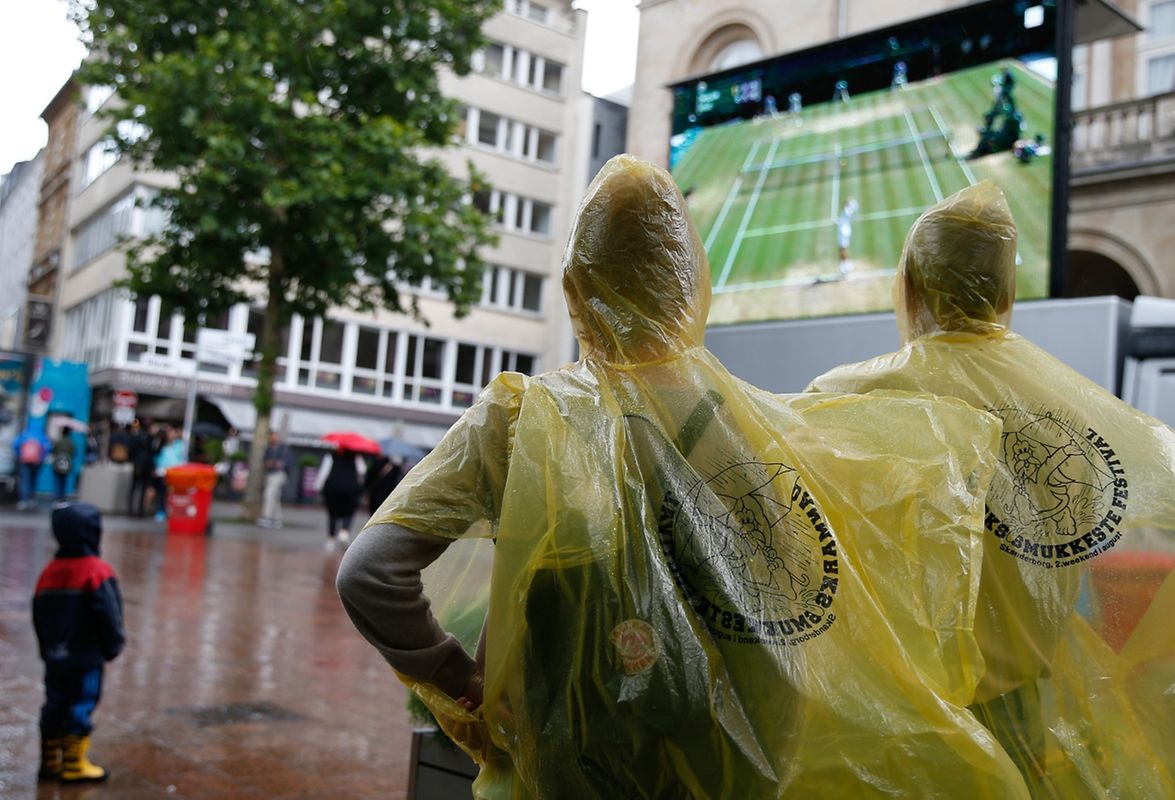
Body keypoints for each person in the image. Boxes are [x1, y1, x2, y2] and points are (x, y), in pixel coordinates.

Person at [337, 156, 1030, 798]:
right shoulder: (769, 427)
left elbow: (369, 574)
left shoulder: (520, 418)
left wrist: (459, 679)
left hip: (562, 771)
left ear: (576, 284)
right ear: (690, 284)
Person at [809, 181, 1175, 796]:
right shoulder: (1074, 414)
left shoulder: (845, 399)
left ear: (912, 285)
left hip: (894, 733)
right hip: (1028, 723)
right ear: (1007, 292)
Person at [32, 502, 125, 783]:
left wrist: (47, 648)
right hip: (87, 657)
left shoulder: (50, 571)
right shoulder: (96, 570)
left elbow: (38, 613)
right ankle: (74, 765)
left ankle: (49, 761)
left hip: (55, 656)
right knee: (82, 702)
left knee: (55, 702)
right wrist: (113, 645)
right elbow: (109, 613)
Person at [314, 447, 366, 549]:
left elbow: (324, 472)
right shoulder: (356, 457)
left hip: (333, 487)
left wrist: (318, 486)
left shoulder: (331, 456)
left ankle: (331, 540)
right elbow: (362, 471)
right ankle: (344, 531)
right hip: (351, 488)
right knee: (348, 512)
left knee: (333, 513)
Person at [153, 426, 187, 522]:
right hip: (162, 472)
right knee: (161, 493)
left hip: (175, 473)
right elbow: (156, 457)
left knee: (172, 493)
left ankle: (170, 510)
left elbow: (181, 458)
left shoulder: (179, 445)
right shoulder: (161, 444)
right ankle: (160, 511)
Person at [259, 431, 292, 529]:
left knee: (269, 494)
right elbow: (265, 460)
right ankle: (277, 520)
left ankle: (267, 517)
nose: (273, 438)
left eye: (274, 436)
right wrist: (268, 463)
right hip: (270, 473)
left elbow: (287, 461)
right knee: (275, 497)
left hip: (279, 474)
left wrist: (280, 464)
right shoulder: (269, 448)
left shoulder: (284, 448)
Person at [13, 426, 51, 510]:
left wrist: (20, 455)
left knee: (24, 480)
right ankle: (31, 499)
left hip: (25, 461)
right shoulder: (42, 436)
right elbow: (48, 448)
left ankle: (23, 500)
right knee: (34, 480)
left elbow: (15, 445)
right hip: (37, 463)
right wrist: (41, 458)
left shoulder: (24, 434)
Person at [127, 419, 155, 517]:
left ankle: (138, 510)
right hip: (141, 466)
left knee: (139, 488)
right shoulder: (141, 437)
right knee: (137, 488)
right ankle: (134, 510)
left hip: (144, 466)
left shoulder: (150, 437)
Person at [363, 454, 403, 518]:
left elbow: (369, 478)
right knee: (382, 514)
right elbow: (396, 483)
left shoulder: (376, 464)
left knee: (373, 513)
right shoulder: (396, 468)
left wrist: (367, 490)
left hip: (374, 493)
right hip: (387, 495)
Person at [50, 429, 76, 502]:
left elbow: (53, 451)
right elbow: (73, 453)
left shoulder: (58, 441)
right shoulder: (71, 443)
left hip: (57, 463)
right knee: (64, 481)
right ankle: (62, 498)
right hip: (67, 464)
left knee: (57, 481)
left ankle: (56, 497)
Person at [836, 197, 859, 277]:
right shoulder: (848, 211)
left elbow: (845, 205)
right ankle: (844, 264)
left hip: (843, 232)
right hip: (844, 231)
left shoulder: (847, 211)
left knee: (842, 248)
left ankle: (845, 266)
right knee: (842, 248)